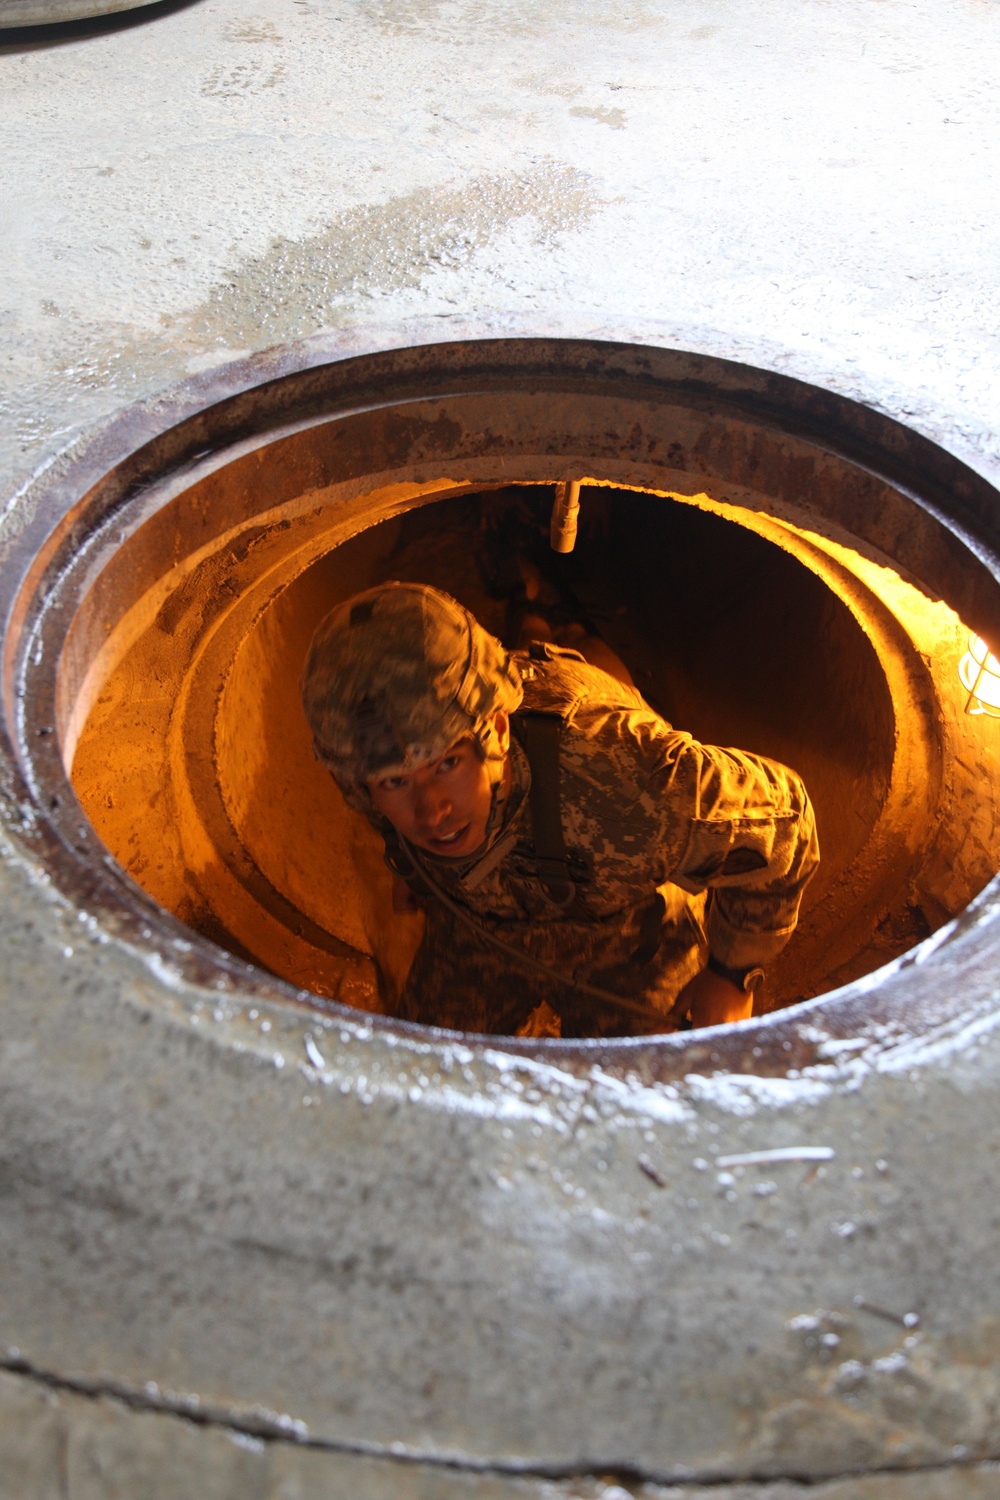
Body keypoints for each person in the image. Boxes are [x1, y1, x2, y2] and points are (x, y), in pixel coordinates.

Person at [300, 581, 819, 1038]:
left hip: (626, 933)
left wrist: (731, 976)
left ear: (496, 732)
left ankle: (565, 620)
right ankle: (530, 608)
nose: (430, 811)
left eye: (447, 763)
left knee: (660, 1092)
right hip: (483, 928)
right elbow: (389, 795)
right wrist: (413, 865)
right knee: (424, 1087)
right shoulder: (366, 761)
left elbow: (787, 817)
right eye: (395, 781)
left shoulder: (629, 781)